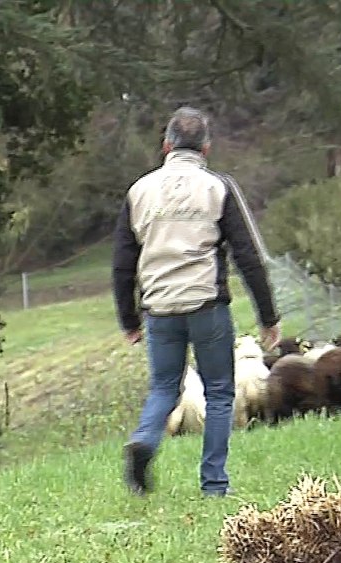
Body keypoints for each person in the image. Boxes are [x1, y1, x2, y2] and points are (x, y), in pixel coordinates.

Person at [111, 106, 282, 499]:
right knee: (220, 391)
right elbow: (248, 255)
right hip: (207, 305)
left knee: (164, 388)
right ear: (206, 147)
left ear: (166, 145)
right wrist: (268, 317)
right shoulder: (217, 188)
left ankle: (145, 441)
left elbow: (123, 263)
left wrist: (129, 320)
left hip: (159, 309)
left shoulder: (139, 191)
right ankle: (214, 484)